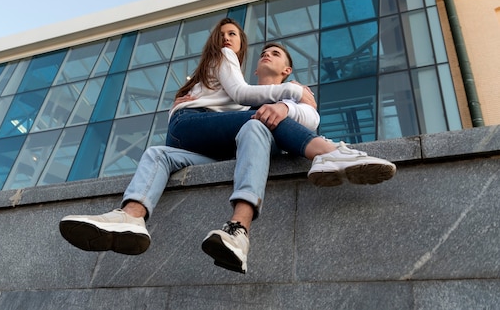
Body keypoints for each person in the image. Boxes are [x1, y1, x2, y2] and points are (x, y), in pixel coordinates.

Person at [60, 18, 396, 273]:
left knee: (252, 126)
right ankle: (131, 215)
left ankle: (240, 227)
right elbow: (239, 97)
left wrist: (286, 103)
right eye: (264, 51)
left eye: (275, 53)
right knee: (160, 152)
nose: (266, 53)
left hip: (252, 138)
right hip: (216, 143)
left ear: (287, 69)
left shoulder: (293, 91)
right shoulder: (238, 93)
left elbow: (309, 119)